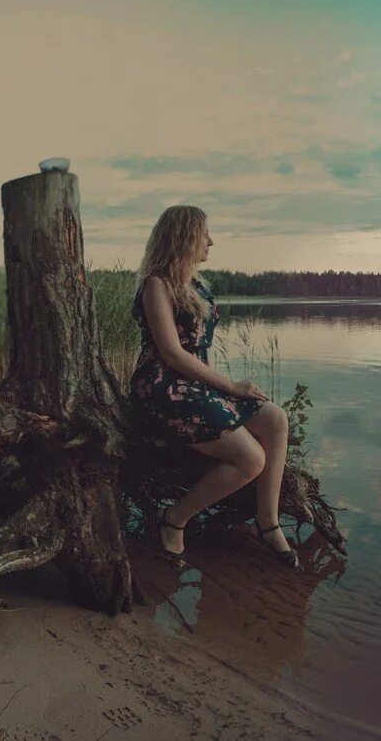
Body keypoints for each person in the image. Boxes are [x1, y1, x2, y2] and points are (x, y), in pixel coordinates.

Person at [128, 205, 299, 570]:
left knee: (276, 419)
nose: (210, 242)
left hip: (194, 384)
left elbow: (199, 352)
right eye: (204, 234)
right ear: (184, 237)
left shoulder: (198, 286)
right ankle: (173, 519)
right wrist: (230, 387)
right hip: (164, 388)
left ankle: (267, 524)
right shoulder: (156, 284)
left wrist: (222, 390)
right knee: (251, 458)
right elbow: (173, 355)